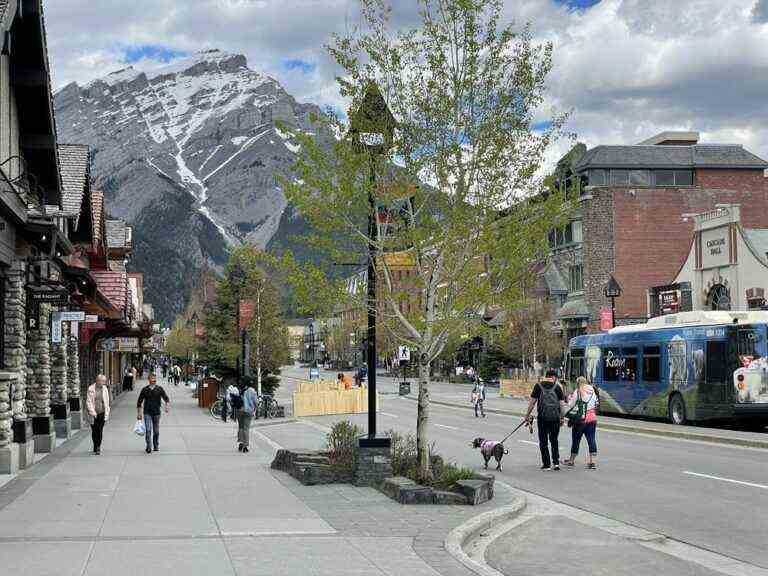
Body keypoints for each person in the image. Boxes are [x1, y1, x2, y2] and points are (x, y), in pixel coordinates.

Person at [524, 369, 566, 471]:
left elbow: (532, 403)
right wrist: (562, 418)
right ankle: (556, 463)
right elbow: (562, 405)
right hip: (555, 418)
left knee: (543, 441)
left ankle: (546, 464)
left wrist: (527, 415)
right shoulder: (558, 388)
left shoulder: (538, 386)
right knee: (554, 440)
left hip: (542, 418)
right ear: (553, 377)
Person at [564, 376, 599, 469]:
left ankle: (571, 460)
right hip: (592, 419)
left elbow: (571, 405)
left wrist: (568, 399)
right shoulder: (593, 390)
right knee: (591, 440)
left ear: (578, 383)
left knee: (576, 440)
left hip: (580, 420)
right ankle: (592, 462)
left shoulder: (578, 391)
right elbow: (596, 403)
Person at [136, 372, 170, 454]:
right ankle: (148, 446)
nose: (153, 380)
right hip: (147, 412)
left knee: (156, 431)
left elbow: (166, 398)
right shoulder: (145, 389)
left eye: (154, 379)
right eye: (152, 379)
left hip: (157, 413)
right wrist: (139, 413)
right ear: (149, 380)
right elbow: (139, 402)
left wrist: (167, 406)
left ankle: (155, 445)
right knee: (148, 430)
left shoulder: (159, 389)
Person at [86, 374, 111, 455]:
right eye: (102, 381)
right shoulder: (91, 389)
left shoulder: (105, 389)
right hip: (93, 413)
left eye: (104, 381)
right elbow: (89, 402)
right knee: (94, 431)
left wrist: (107, 411)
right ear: (97, 381)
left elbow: (107, 401)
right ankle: (95, 444)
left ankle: (98, 447)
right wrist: (93, 412)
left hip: (102, 412)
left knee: (100, 430)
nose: (103, 383)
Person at [237, 379, 259, 453]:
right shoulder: (252, 391)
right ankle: (245, 447)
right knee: (246, 428)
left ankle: (240, 443)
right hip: (248, 411)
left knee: (241, 427)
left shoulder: (241, 389)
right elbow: (256, 402)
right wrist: (256, 409)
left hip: (240, 410)